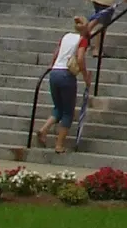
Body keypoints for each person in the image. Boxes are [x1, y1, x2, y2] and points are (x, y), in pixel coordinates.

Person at [36, 16, 90, 154]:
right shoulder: (82, 40)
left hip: (55, 72)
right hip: (67, 75)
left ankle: (44, 130)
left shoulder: (66, 36)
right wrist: (86, 76)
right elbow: (80, 58)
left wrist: (52, 64)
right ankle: (59, 145)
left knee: (58, 107)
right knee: (67, 112)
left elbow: (56, 51)